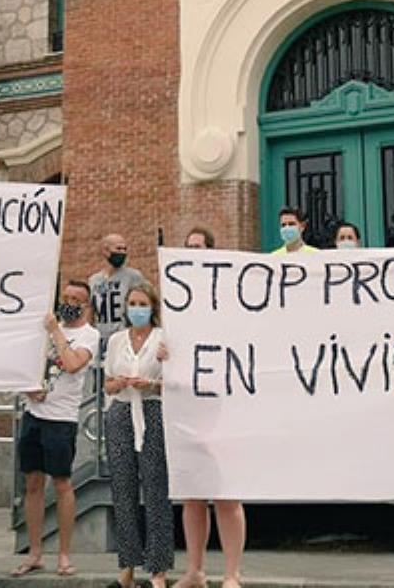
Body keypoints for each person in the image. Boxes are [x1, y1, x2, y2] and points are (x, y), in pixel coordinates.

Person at [13, 280, 99, 578]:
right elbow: (24, 366)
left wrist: (56, 331)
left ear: (86, 305)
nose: (69, 302)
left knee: (62, 483)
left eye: (76, 299)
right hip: (34, 414)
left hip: (61, 419)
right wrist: (29, 389)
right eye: (66, 297)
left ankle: (64, 554)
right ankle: (35, 552)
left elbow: (73, 364)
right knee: (32, 483)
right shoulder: (45, 330)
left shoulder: (89, 335)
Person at [175, 230, 245, 588]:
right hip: (188, 408)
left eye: (198, 247)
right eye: (188, 248)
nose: (192, 252)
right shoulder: (175, 297)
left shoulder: (227, 294)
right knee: (193, 495)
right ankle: (195, 571)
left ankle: (232, 573)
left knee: (226, 494)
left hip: (222, 403)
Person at [104, 283, 173, 588]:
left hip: (152, 411)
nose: (137, 309)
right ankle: (128, 565)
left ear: (153, 307)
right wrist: (118, 383)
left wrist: (152, 384)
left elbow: (174, 381)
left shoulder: (163, 338)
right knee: (123, 490)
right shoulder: (117, 340)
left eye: (142, 303)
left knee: (156, 489)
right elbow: (106, 383)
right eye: (132, 303)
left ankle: (158, 569)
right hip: (120, 412)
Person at [90, 233, 147, 339]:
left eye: (125, 249)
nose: (123, 252)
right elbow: (90, 311)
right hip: (100, 337)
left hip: (123, 336)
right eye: (119, 248)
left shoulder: (133, 276)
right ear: (106, 250)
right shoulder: (94, 280)